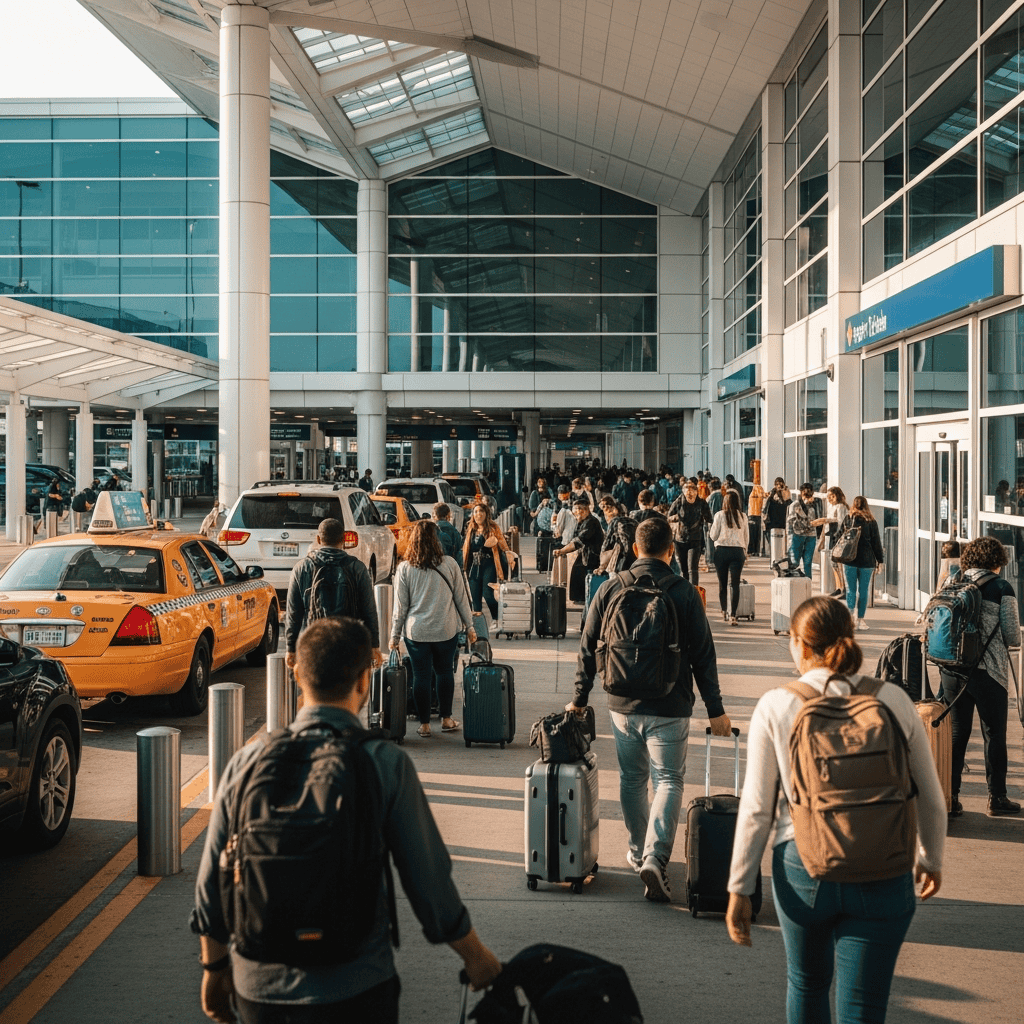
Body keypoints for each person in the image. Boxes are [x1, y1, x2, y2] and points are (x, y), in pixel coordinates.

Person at [192, 616, 502, 1024]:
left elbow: (212, 881)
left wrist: (215, 972)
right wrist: (475, 957)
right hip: (357, 986)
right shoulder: (382, 763)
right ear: (363, 682)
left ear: (297, 675)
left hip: (260, 989)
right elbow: (427, 879)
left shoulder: (247, 764)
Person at [725, 596, 946, 1024]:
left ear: (800, 646)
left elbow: (756, 809)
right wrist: (930, 859)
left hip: (803, 866)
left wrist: (739, 887)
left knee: (806, 984)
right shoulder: (895, 700)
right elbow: (931, 797)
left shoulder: (776, 704)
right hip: (884, 868)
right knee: (863, 1005)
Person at [568, 516, 731, 902]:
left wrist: (578, 697)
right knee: (669, 780)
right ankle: (656, 858)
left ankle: (639, 849)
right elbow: (704, 656)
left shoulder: (610, 588)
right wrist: (715, 709)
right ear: (671, 549)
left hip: (621, 703)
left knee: (631, 779)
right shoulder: (684, 592)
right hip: (671, 704)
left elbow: (588, 645)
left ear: (635, 549)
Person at [939, 536, 1021, 818]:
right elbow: (1012, 635)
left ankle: (950, 798)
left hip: (951, 669)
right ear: (997, 561)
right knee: (994, 733)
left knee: (957, 734)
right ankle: (996, 798)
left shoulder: (953, 582)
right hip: (989, 672)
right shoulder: (1001, 587)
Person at [391, 521, 475, 738]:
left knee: (421, 675)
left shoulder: (405, 568)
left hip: (416, 632)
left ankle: (425, 725)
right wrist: (470, 626)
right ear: (437, 540)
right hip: (445, 629)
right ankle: (446, 719)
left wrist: (394, 635)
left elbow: (400, 607)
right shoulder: (450, 564)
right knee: (444, 672)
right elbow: (461, 598)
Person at [285, 518, 382, 671]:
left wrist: (291, 648)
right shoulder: (357, 568)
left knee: (316, 691)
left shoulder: (301, 568)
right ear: (343, 539)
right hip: (348, 644)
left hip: (313, 644)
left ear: (318, 539)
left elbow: (293, 613)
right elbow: (369, 610)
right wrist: (374, 646)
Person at [462, 503, 516, 627]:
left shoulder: (492, 527)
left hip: (489, 564)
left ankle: (497, 619)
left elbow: (503, 545)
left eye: (481, 511)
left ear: (486, 514)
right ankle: (478, 625)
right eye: (475, 512)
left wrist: (510, 557)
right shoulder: (470, 528)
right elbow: (466, 548)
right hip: (474, 566)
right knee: (474, 596)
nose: (478, 514)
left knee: (488, 594)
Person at [835, 496, 884, 631]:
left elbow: (838, 537)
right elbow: (876, 543)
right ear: (866, 506)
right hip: (867, 562)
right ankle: (860, 620)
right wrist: (880, 561)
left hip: (849, 560)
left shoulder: (848, 519)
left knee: (850, 590)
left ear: (853, 505)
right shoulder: (871, 521)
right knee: (863, 591)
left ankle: (850, 618)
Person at [709, 491, 748, 625]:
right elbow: (746, 537)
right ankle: (733, 615)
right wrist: (745, 552)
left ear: (724, 502)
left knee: (722, 583)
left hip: (722, 551)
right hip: (738, 552)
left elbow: (713, 536)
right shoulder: (743, 516)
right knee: (735, 584)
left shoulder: (719, 515)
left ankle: (724, 610)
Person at [555, 499, 604, 605]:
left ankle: (584, 599)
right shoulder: (585, 521)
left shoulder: (591, 522)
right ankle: (582, 599)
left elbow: (578, 542)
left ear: (585, 510)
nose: (576, 515)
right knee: (577, 572)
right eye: (575, 512)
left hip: (592, 556)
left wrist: (562, 551)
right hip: (586, 553)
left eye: (578, 512)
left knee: (579, 573)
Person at [667, 480, 712, 583]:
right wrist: (676, 517)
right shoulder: (679, 501)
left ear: (696, 492)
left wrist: (706, 520)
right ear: (684, 493)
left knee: (693, 569)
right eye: (688, 495)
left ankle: (694, 592)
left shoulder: (701, 503)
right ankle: (686, 591)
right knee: (684, 570)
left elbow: (709, 518)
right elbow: (668, 516)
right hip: (680, 539)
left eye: (692, 494)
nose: (690, 497)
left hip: (695, 539)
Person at [812, 487, 850, 598]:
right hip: (830, 537)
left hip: (838, 538)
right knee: (834, 564)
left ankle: (844, 588)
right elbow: (826, 526)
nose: (830, 499)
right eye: (828, 497)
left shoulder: (841, 507)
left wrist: (826, 520)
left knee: (839, 564)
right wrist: (821, 540)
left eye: (832, 496)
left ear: (838, 495)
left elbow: (841, 522)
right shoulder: (831, 507)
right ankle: (839, 587)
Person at [596, 495, 637, 574]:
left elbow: (606, 546)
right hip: (636, 560)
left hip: (622, 563)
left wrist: (601, 567)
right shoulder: (633, 521)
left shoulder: (614, 522)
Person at [787, 483, 818, 579]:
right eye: (805, 493)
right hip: (797, 535)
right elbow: (791, 522)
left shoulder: (815, 505)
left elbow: (817, 519)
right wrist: (789, 539)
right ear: (801, 493)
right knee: (794, 561)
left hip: (811, 536)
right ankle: (794, 583)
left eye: (809, 492)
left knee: (808, 562)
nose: (807, 495)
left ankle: (808, 584)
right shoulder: (795, 505)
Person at [763, 478, 791, 563]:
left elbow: (788, 502)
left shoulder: (786, 492)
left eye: (781, 484)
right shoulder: (771, 494)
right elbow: (765, 508)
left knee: (782, 543)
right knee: (773, 542)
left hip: (782, 520)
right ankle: (774, 561)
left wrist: (784, 493)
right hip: (772, 521)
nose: (779, 486)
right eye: (777, 484)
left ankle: (781, 560)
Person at [432, 502, 463, 568]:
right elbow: (458, 550)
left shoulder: (430, 530)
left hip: (434, 566)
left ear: (434, 516)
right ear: (448, 516)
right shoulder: (454, 531)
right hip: (449, 566)